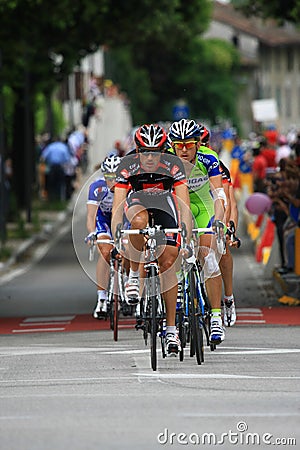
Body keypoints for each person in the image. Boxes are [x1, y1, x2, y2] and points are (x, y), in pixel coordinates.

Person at [112, 124, 192, 355]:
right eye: (145, 151)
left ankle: (170, 329)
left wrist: (184, 228)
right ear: (137, 150)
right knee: (138, 222)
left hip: (165, 205)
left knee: (169, 263)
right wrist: (117, 229)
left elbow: (183, 201)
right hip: (137, 204)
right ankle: (135, 274)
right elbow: (119, 201)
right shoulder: (127, 164)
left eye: (155, 151)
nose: (150, 157)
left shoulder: (173, 164)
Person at [168, 118, 226, 345]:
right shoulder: (167, 162)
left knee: (208, 255)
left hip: (203, 207)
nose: (183, 150)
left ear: (198, 143)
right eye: (178, 145)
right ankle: (178, 296)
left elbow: (219, 194)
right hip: (177, 206)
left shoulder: (208, 158)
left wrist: (219, 220)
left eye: (189, 144)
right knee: (171, 254)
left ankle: (215, 317)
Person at [85, 156, 122, 318]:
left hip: (122, 218)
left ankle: (129, 286)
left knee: (129, 250)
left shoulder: (128, 185)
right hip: (103, 220)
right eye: (109, 177)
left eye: (116, 177)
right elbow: (91, 216)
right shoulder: (97, 187)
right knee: (105, 252)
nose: (112, 181)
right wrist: (92, 233)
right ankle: (101, 298)